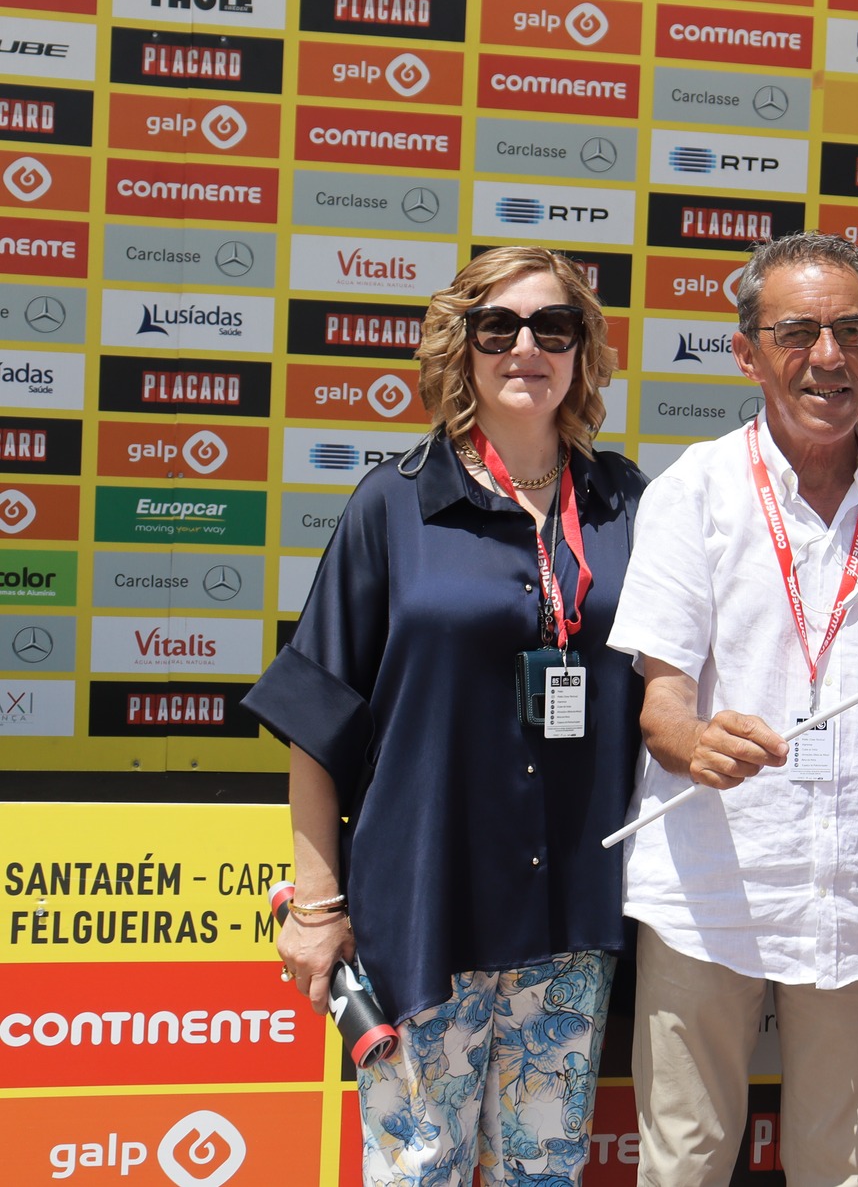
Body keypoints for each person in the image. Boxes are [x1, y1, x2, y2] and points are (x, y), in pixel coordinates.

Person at [245, 246, 646, 1186]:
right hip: (425, 909)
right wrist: (317, 906)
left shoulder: (625, 501)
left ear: (583, 349)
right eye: (498, 327)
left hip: (570, 914)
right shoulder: (393, 503)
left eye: (553, 327)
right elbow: (317, 715)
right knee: (417, 1170)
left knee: (543, 1173)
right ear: (461, 346)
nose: (526, 348)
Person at [609, 231, 858, 1187]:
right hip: (708, 892)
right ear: (747, 354)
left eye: (850, 332)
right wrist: (694, 740)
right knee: (685, 1164)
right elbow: (662, 703)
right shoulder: (692, 493)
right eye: (798, 334)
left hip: (856, 898)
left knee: (841, 1170)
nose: (828, 356)